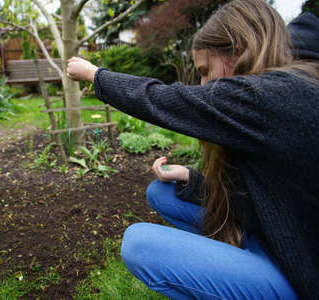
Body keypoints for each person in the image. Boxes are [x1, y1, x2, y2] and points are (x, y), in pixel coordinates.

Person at [66, 0, 319, 299]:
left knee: (139, 244)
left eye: (205, 70)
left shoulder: (273, 96)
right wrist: (192, 177)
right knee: (160, 193)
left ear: (237, 50)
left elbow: (161, 100)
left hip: (299, 273)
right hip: (278, 237)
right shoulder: (280, 91)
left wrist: (96, 75)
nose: (202, 84)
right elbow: (269, 193)